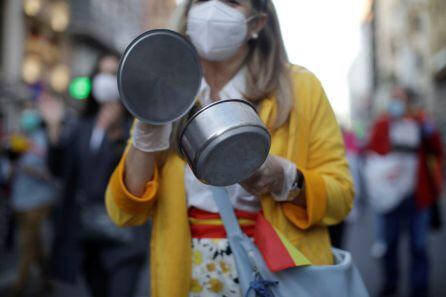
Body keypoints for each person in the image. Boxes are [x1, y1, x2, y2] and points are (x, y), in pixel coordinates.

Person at [106, 1, 354, 296]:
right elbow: (123, 214)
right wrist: (147, 136)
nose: (212, 10)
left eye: (230, 1)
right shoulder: (165, 88)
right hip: (189, 276)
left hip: (280, 276)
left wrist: (285, 179)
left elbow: (342, 198)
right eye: (201, 0)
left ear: (257, 23)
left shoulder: (301, 88)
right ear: (187, 13)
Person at [41, 54, 149, 297]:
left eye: (112, 73)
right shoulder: (82, 126)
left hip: (125, 237)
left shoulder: (136, 126)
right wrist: (54, 129)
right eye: (101, 73)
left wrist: (115, 137)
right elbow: (60, 172)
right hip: (87, 236)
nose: (105, 80)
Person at [366, 87, 443, 297]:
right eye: (394, 99)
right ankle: (390, 283)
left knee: (418, 245)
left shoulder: (420, 123)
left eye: (400, 99)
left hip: (417, 196)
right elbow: (372, 152)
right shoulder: (382, 124)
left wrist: (428, 128)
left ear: (408, 102)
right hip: (390, 196)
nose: (396, 103)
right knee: (389, 244)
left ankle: (419, 288)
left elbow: (436, 150)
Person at [9, 105, 57, 297]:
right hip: (20, 200)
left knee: (27, 242)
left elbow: (51, 172)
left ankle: (20, 283)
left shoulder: (43, 141)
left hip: (39, 200)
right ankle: (47, 278)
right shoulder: (18, 141)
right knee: (35, 244)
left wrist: (31, 170)